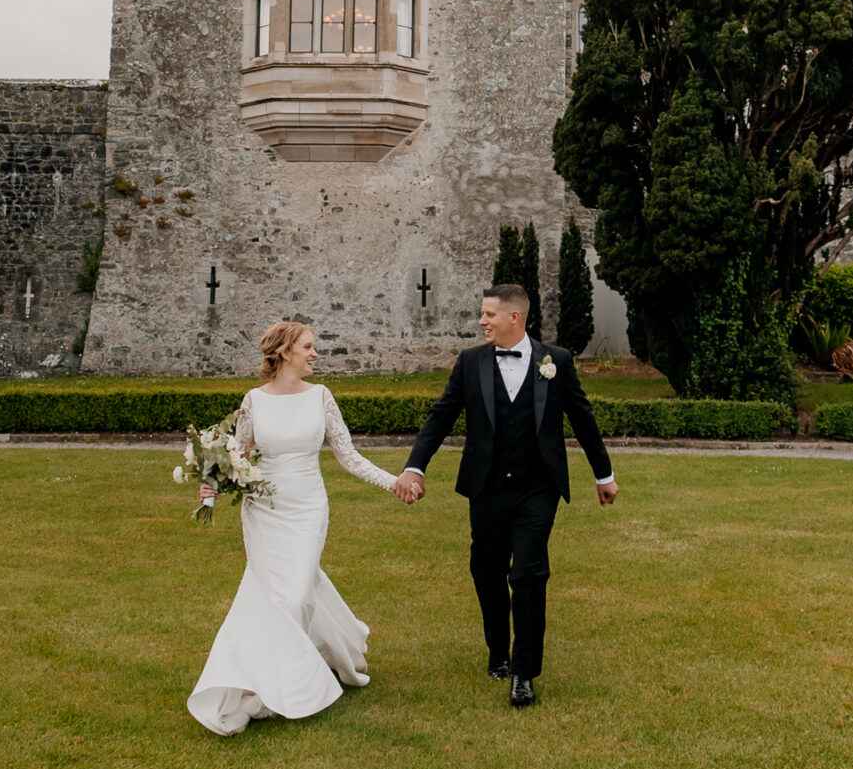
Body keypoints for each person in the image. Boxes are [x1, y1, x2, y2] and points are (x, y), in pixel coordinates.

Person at [394, 283, 616, 707]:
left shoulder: (557, 361)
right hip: (487, 487)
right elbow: (441, 416)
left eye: (488, 314)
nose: (482, 321)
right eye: (482, 314)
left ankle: (523, 672)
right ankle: (498, 649)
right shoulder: (471, 362)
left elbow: (583, 421)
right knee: (487, 569)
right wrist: (414, 466)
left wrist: (603, 475)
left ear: (515, 317)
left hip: (538, 487)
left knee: (528, 575)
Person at [187, 319, 400, 735]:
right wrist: (209, 489)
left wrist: (393, 482)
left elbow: (349, 457)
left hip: (307, 508)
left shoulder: (321, 397)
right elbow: (237, 453)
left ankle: (285, 678)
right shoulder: (253, 400)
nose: (315, 353)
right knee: (273, 595)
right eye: (308, 346)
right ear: (284, 352)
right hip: (264, 510)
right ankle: (269, 682)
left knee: (299, 593)